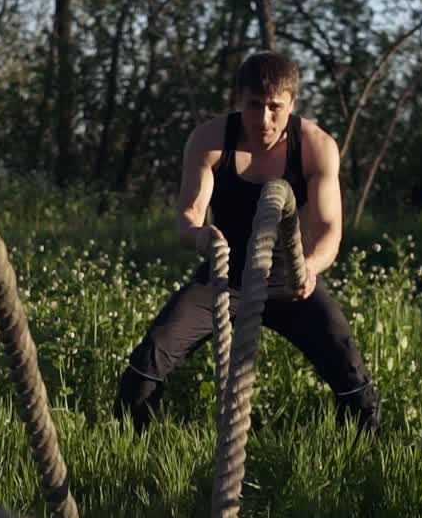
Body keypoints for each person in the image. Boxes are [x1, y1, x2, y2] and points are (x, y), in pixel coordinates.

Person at [113, 51, 380, 434]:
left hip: (292, 279)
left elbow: (329, 233)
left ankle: (360, 461)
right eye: (254, 105)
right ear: (240, 100)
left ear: (292, 103)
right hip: (225, 277)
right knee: (148, 360)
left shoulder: (315, 146)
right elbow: (187, 217)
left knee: (349, 368)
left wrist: (312, 269)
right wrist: (199, 236)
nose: (264, 119)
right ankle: (130, 452)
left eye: (275, 107)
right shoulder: (210, 140)